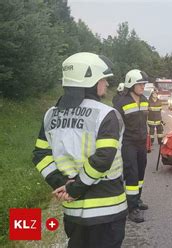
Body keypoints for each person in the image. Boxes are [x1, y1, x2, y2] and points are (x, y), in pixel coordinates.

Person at [32, 52, 127, 247]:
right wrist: (74, 188)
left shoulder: (51, 115)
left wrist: (61, 184)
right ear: (90, 81)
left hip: (73, 212)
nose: (106, 84)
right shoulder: (106, 114)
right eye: (103, 79)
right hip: (107, 210)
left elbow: (40, 155)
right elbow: (103, 159)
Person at [114, 69, 149, 223]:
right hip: (128, 143)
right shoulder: (121, 102)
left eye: (143, 84)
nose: (143, 87)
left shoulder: (145, 100)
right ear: (131, 84)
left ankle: (137, 199)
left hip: (141, 143)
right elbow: (116, 125)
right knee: (132, 174)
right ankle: (131, 209)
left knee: (141, 173)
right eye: (140, 84)